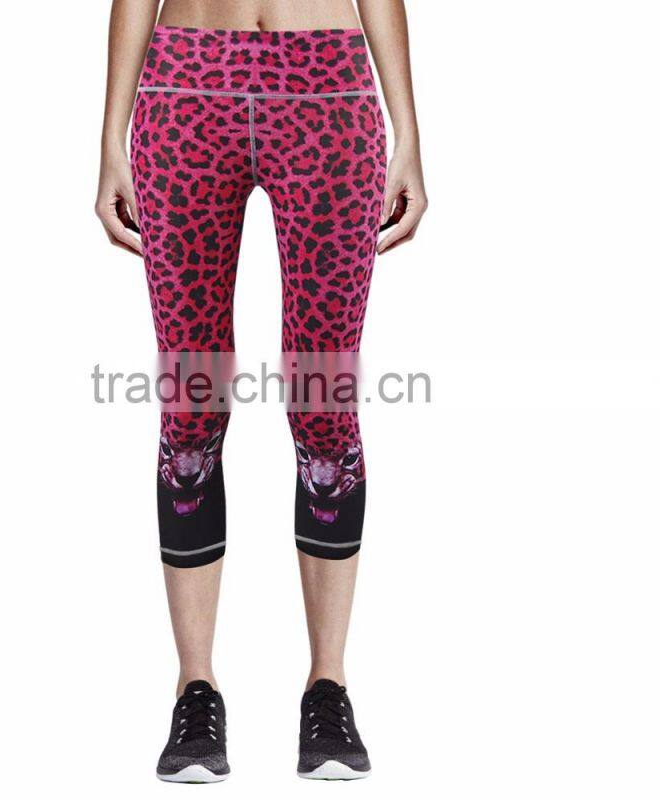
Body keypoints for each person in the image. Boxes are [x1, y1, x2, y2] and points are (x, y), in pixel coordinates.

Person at [95, 0, 427, 782]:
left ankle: (328, 687)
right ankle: (195, 689)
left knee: (324, 403)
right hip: (186, 84)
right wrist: (111, 133)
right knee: (191, 402)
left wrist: (407, 127)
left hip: (327, 88)